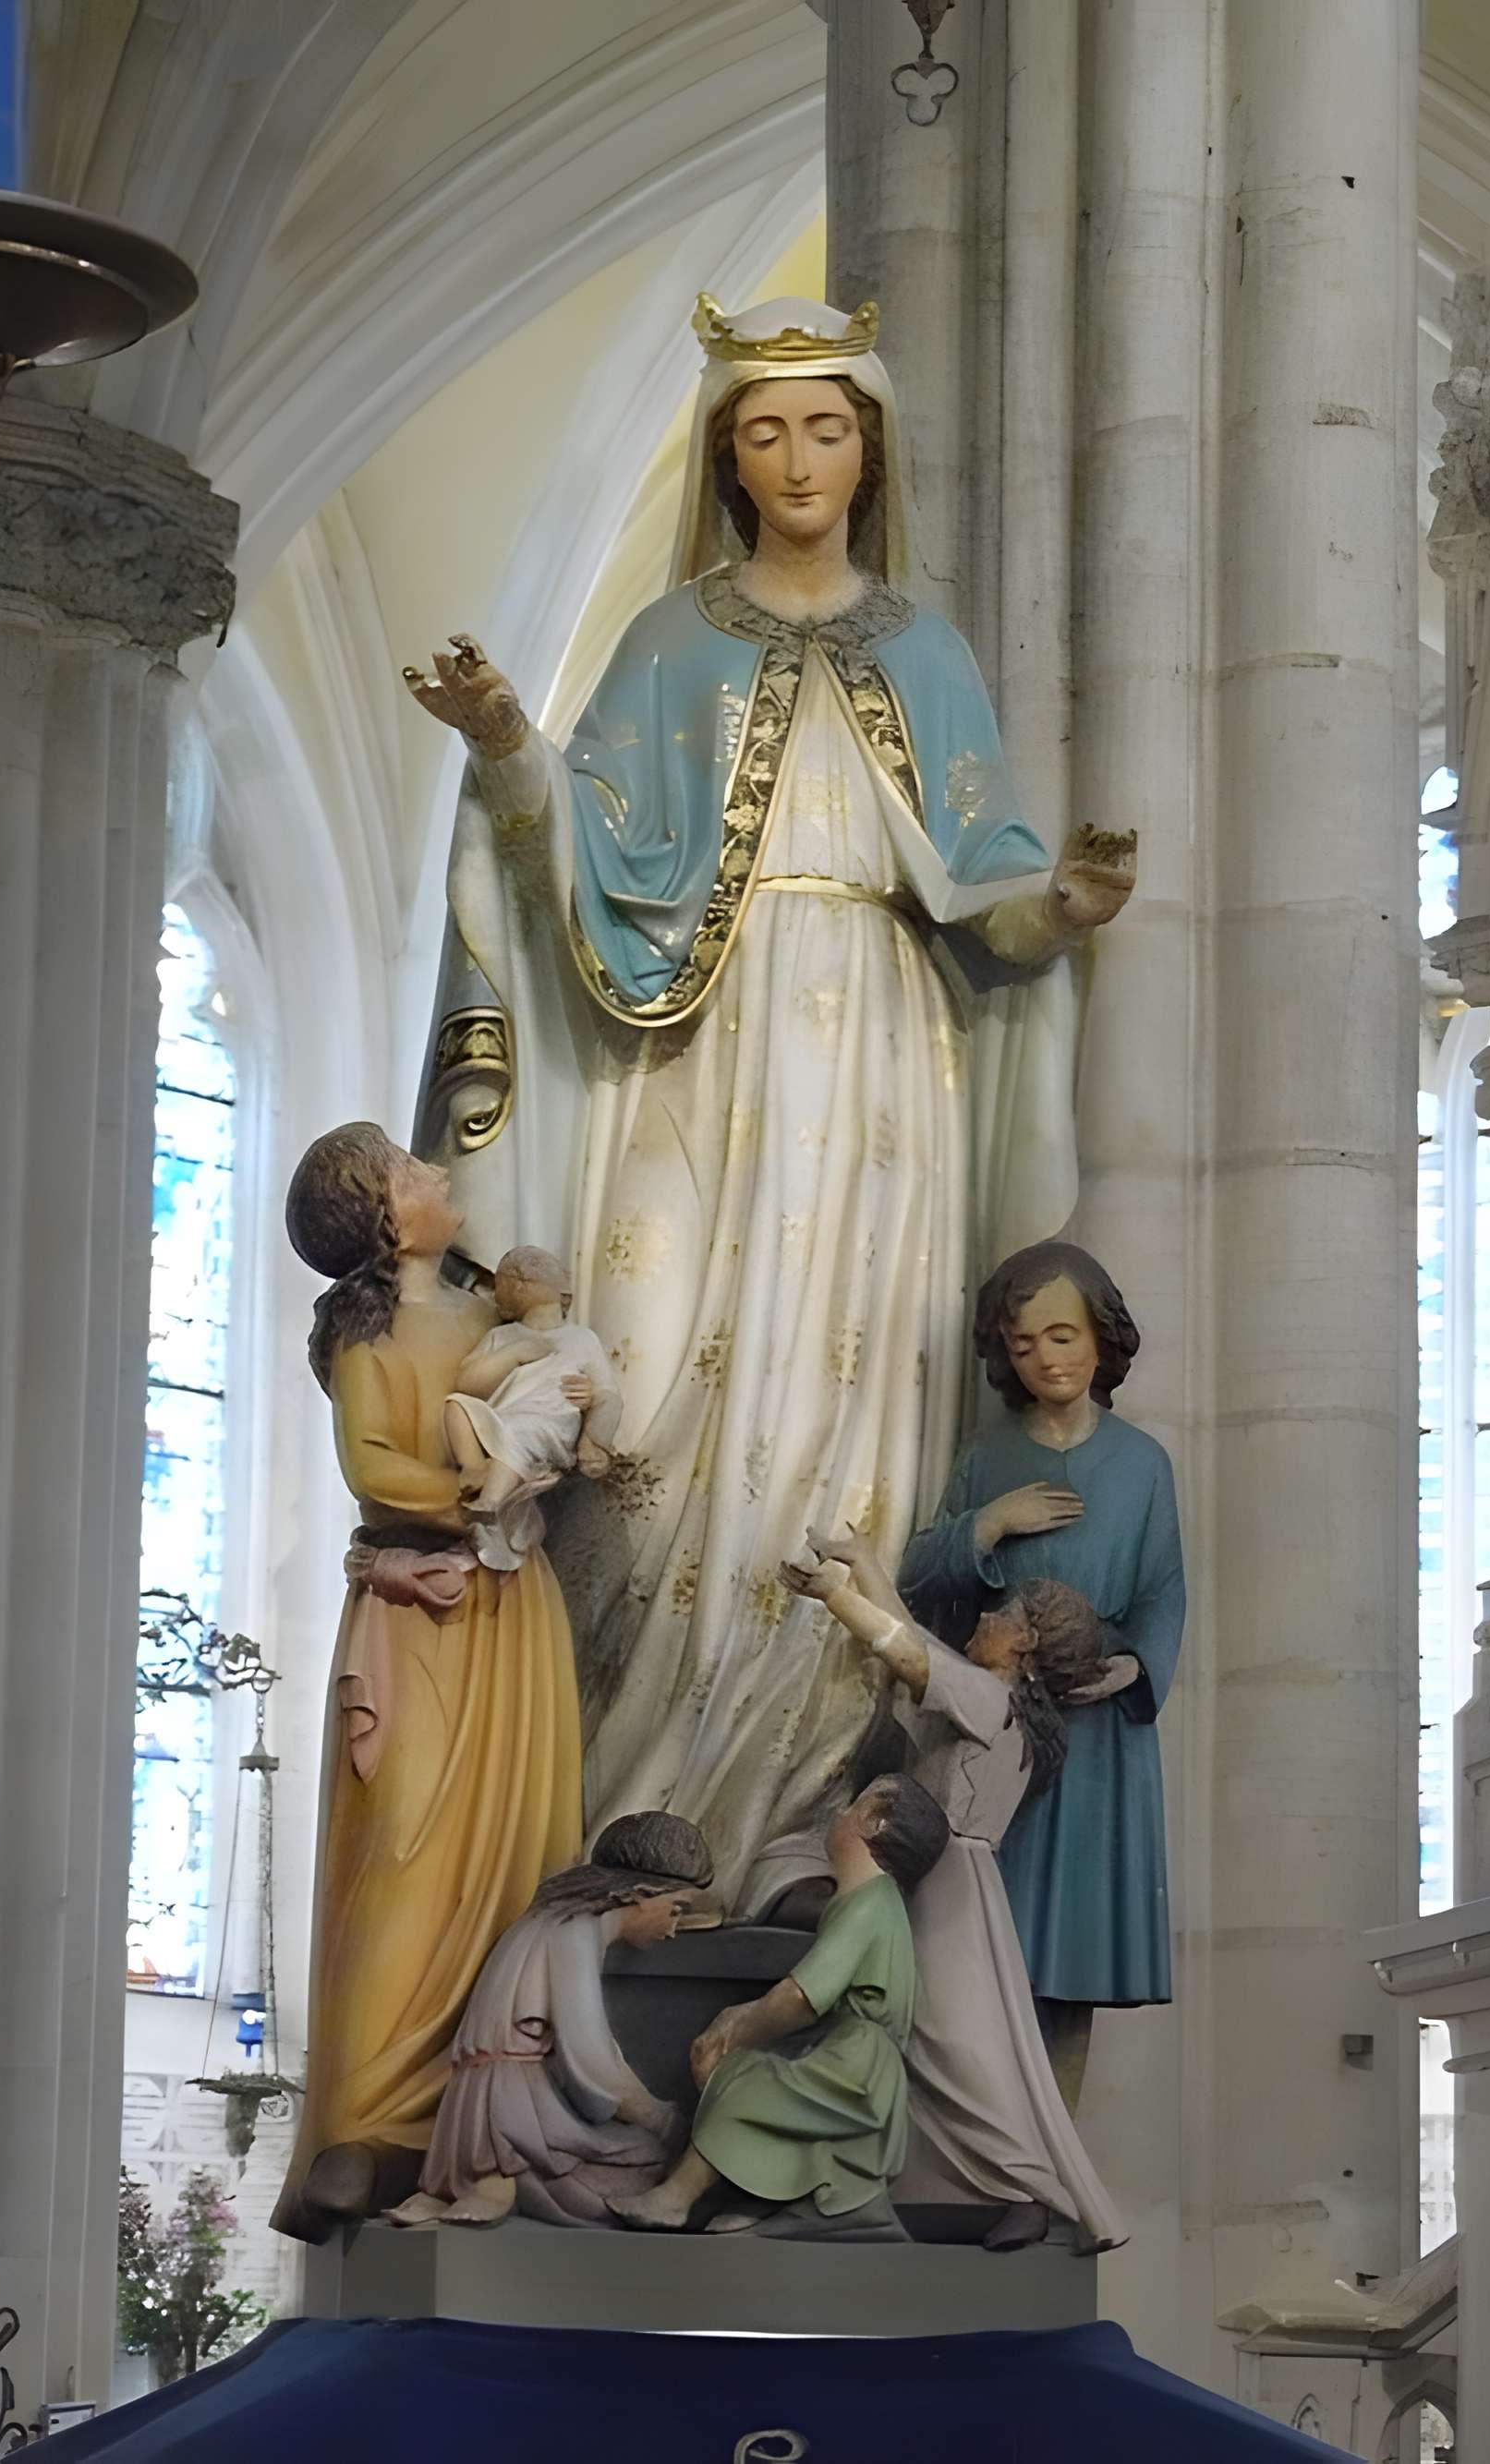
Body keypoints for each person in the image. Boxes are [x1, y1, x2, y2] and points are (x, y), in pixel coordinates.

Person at [403, 294, 1135, 1915]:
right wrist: (509, 739)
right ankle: (621, 1815)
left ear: (870, 449)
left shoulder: (925, 655)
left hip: (882, 1072)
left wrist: (1064, 907)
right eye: (764, 429)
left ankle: (804, 1827)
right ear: (729, 462)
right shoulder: (676, 640)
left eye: (826, 424)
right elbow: (569, 860)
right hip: (695, 1052)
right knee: (645, 1399)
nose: (798, 456)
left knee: (844, 1431)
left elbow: (986, 897)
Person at [270, 1124, 584, 2243]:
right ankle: (363, 2125)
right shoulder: (364, 1332)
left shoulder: (490, 1315)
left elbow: (549, 1396)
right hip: (419, 1609)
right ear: (386, 1220)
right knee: (402, 1850)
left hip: (508, 1610)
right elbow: (371, 1464)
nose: (438, 1175)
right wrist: (476, 1496)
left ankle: (489, 2117)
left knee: (515, 1854)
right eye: (412, 1172)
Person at [897, 1242, 1185, 2112]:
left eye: (1063, 1335)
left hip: (1097, 1743)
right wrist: (988, 1524)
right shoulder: (987, 1458)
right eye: (1024, 1344)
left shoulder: (1141, 1465)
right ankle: (989, 2145)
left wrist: (1133, 1663)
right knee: (986, 1945)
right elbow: (918, 1576)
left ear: (1102, 1339)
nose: (1048, 1358)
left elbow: (1164, 1592)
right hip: (999, 1728)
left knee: (1072, 1961)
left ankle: (1051, 2163)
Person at [782, 1531, 1129, 2253]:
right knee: (935, 2041)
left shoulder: (988, 1698)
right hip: (946, 1878)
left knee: (960, 2047)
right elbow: (912, 1641)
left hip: (946, 1889)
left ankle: (1034, 2192)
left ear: (1025, 1643)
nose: (981, 1620)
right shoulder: (995, 1698)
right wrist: (864, 1563)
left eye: (998, 1614)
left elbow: (904, 1652)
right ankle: (954, 2188)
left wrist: (836, 1595)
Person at [603, 1774, 949, 2237]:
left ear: (873, 1820)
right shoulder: (863, 1901)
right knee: (763, 2086)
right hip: (851, 2052)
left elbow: (800, 1998)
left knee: (748, 2082)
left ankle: (674, 2198)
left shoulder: (870, 1903)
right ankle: (764, 2200)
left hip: (858, 2063)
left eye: (853, 1806)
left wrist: (733, 2029)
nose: (841, 1814)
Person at [388, 1813, 720, 2230]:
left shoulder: (552, 1923)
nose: (673, 1930)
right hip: (509, 2107)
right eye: (675, 1909)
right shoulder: (574, 1934)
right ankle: (497, 2177)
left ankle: (489, 2177)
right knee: (646, 2161)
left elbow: (592, 2055)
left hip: (490, 2098)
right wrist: (665, 2120)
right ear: (639, 1893)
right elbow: (593, 2067)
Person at [442, 1243, 622, 1572]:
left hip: (547, 1427)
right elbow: (468, 1382)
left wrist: (593, 1439)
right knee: (456, 1407)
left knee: (521, 1432)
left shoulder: (581, 1340)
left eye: (508, 1285)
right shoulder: (503, 1337)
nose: (502, 1295)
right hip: (501, 1420)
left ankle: (490, 1506)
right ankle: (474, 1469)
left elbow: (609, 1396)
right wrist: (514, 1354)